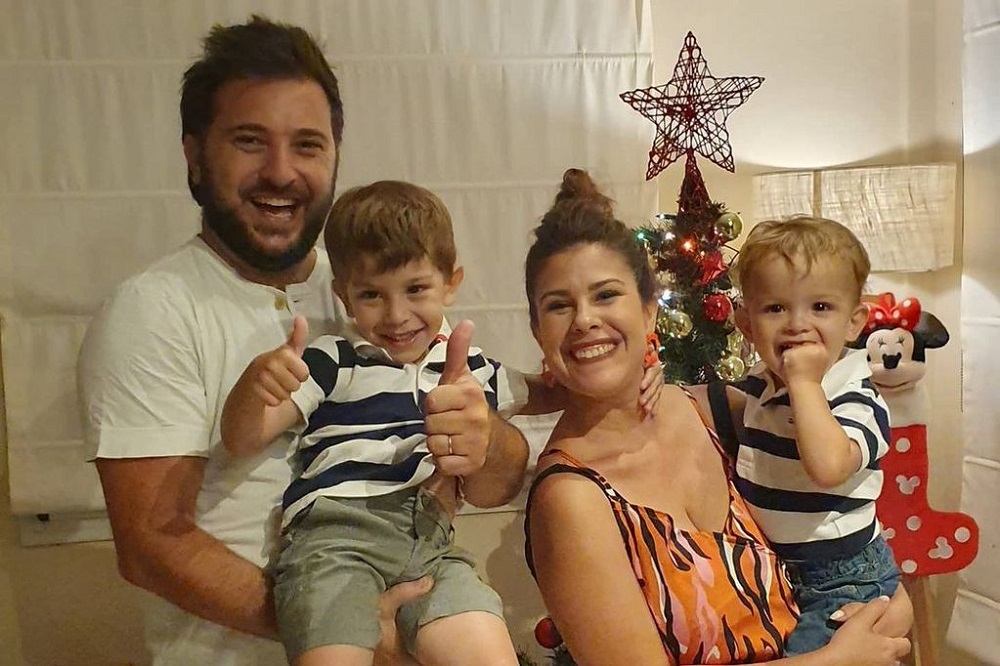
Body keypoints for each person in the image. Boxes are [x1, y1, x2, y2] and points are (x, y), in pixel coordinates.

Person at [77, 16, 528, 666]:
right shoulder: (151, 312)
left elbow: (493, 481)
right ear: (195, 155)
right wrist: (351, 624)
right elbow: (152, 545)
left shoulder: (376, 285)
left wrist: (485, 439)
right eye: (250, 141)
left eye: (308, 145)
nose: (281, 172)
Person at [522, 168, 912, 665]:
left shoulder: (718, 412)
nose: (585, 320)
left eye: (606, 295)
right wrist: (833, 661)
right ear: (537, 330)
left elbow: (848, 524)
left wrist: (889, 611)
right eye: (559, 306)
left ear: (649, 310)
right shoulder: (571, 498)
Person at [221, 181, 524, 666]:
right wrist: (252, 390)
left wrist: (636, 375)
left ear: (451, 283)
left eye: (416, 289)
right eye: (371, 295)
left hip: (430, 547)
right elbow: (242, 438)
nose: (396, 315)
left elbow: (548, 389)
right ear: (343, 297)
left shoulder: (470, 367)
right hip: (335, 543)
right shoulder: (334, 359)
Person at [727, 217, 902, 654]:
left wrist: (805, 384)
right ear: (747, 324)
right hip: (780, 568)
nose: (797, 324)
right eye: (775, 308)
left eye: (820, 307)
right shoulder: (761, 383)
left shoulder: (855, 397)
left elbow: (828, 468)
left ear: (853, 323)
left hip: (845, 577)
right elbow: (699, 402)